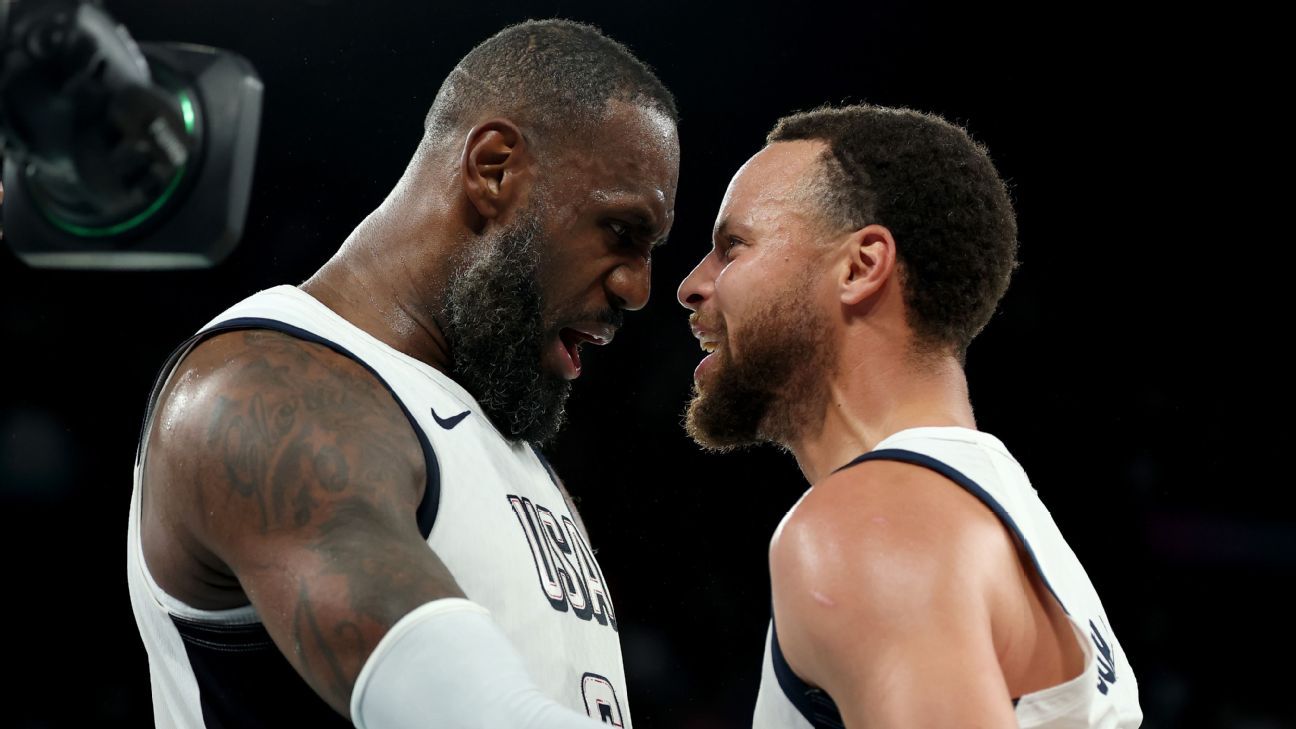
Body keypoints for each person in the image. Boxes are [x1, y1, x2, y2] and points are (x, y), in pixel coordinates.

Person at [127, 19, 679, 729]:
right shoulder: (265, 393)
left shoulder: (494, 437)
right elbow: (468, 714)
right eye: (622, 231)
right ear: (494, 169)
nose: (639, 289)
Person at [676, 104, 1142, 728]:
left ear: (861, 266)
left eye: (733, 247)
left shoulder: (872, 525)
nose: (692, 284)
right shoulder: (990, 508)